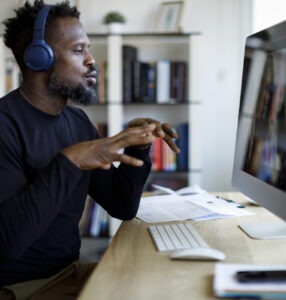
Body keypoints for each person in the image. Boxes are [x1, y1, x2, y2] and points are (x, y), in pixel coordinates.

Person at [0, 1, 180, 299]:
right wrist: (70, 161)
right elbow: (7, 244)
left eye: (89, 49)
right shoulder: (5, 125)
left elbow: (122, 206)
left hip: (69, 272)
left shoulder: (77, 121)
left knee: (163, 283)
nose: (91, 61)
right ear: (39, 58)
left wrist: (139, 147)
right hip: (21, 287)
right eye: (79, 50)